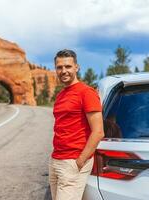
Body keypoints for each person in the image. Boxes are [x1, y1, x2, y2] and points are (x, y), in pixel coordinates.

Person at [49, 49, 104, 200]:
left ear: (76, 67)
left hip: (73, 161)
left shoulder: (86, 93)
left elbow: (98, 132)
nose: (63, 71)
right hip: (56, 159)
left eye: (68, 66)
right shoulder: (61, 95)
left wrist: (79, 161)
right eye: (59, 67)